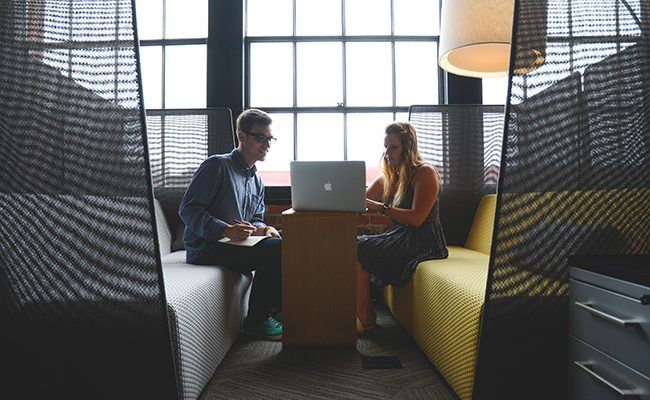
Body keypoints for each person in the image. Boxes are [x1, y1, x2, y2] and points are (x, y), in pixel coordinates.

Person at [179, 108, 283, 340]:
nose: (266, 144)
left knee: (289, 239)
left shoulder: (257, 180)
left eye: (270, 139)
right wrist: (225, 230)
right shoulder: (217, 165)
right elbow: (189, 210)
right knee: (276, 250)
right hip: (207, 247)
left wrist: (264, 228)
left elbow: (255, 218)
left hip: (238, 244)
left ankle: (277, 309)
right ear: (242, 136)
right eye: (260, 137)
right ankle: (256, 322)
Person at [356, 121, 448, 333]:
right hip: (400, 236)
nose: (387, 152)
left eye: (393, 147)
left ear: (408, 148)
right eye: (386, 147)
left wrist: (380, 208)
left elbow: (417, 219)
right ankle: (362, 314)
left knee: (359, 247)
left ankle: (364, 318)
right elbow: (360, 201)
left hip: (424, 239)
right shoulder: (389, 176)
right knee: (354, 245)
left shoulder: (424, 172)